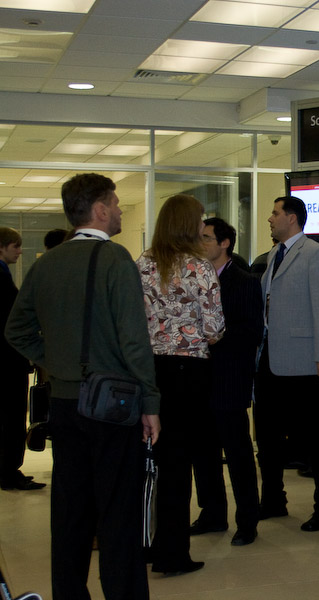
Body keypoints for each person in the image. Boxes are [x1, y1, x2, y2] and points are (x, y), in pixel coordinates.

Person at [5, 172, 160, 599]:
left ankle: (70, 592)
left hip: (65, 402)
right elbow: (134, 340)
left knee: (70, 509)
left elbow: (16, 329)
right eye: (116, 203)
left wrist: (54, 359)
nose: (120, 210)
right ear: (100, 209)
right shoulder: (115, 259)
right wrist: (151, 401)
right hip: (112, 405)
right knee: (117, 511)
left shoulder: (47, 262)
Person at [137, 194, 225, 576]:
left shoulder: (142, 263)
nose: (203, 225)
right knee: (179, 462)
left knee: (154, 460)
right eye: (200, 220)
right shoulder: (199, 266)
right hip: (189, 372)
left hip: (150, 369)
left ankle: (150, 544)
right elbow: (214, 328)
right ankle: (173, 554)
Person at [255, 196, 319, 531]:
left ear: (291, 218)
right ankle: (273, 500)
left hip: (304, 361)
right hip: (270, 359)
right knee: (267, 436)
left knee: (315, 440)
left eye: (274, 213)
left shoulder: (314, 253)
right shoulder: (274, 254)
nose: (270, 218)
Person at [190, 217, 264, 546]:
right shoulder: (192, 279)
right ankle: (212, 514)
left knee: (238, 455)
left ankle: (247, 520)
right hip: (197, 380)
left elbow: (252, 332)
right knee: (203, 453)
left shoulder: (245, 282)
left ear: (225, 243)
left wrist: (215, 339)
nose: (200, 243)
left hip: (230, 379)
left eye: (206, 238)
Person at [0, 227, 44, 491]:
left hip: (6, 360)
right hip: (8, 361)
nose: (19, 251)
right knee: (13, 416)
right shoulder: (2, 278)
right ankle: (9, 471)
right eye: (15, 246)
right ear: (2, 247)